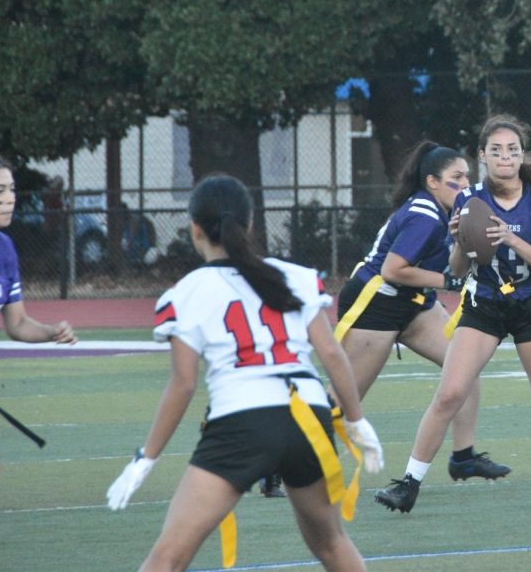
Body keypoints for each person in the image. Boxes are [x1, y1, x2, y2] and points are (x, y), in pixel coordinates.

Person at [105, 174, 384, 572]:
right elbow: (333, 356)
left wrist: (145, 458)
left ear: (194, 229)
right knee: (332, 544)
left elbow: (183, 384)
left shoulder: (187, 292)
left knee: (167, 559)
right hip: (309, 418)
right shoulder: (294, 277)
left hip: (244, 421)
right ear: (250, 225)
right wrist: (356, 421)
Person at [375, 114, 531, 515]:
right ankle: (408, 485)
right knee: (449, 393)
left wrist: (510, 236)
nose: (504, 157)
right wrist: (461, 242)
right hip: (484, 302)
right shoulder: (469, 199)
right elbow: (460, 269)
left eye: (512, 150)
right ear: (482, 156)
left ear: (521, 156)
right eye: (496, 150)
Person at [334, 140, 510, 483]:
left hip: (414, 301)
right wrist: (448, 281)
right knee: (344, 401)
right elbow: (392, 269)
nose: (465, 184)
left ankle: (463, 456)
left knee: (465, 366)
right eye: (455, 178)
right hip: (378, 301)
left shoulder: (447, 213)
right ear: (432, 182)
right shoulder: (425, 216)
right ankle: (274, 465)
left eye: (467, 176)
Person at [0, 151, 78, 504]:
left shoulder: (6, 248)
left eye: (12, 189)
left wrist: (52, 332)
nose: (10, 198)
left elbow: (18, 324)